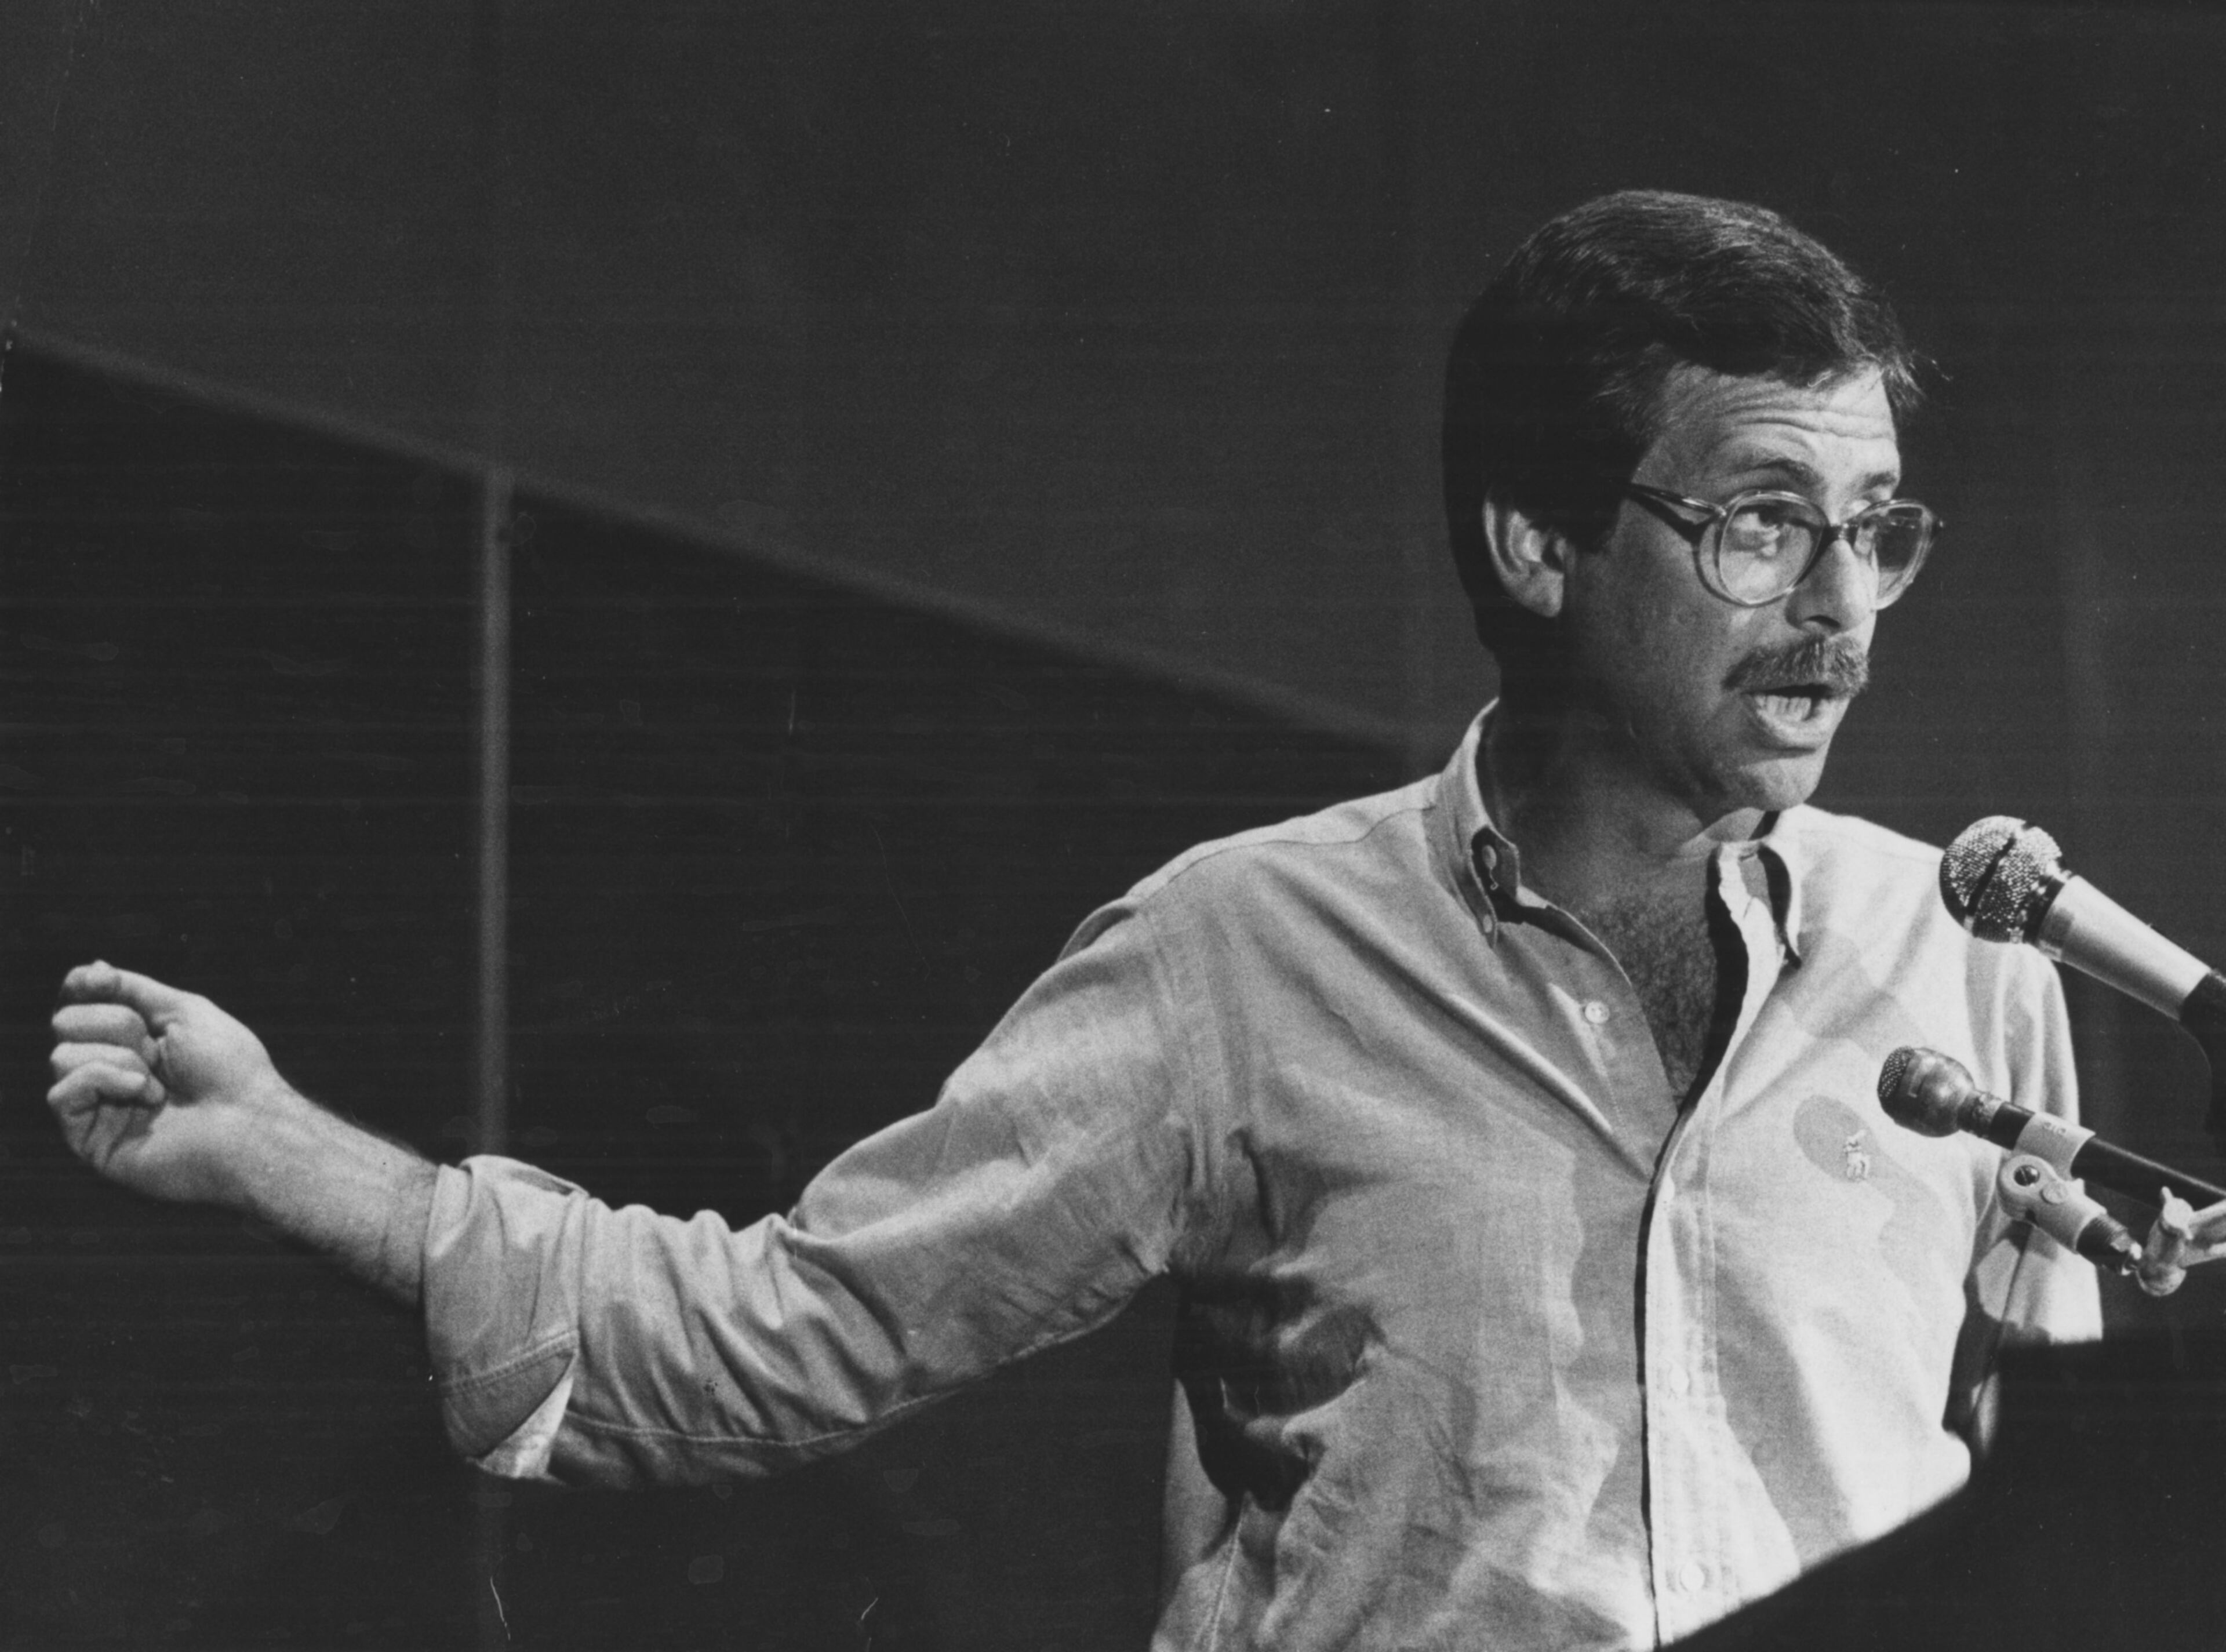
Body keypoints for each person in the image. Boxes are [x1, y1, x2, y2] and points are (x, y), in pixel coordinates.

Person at [45, 190, 2225, 1651]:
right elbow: (775, 1335)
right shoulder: (1236, 959)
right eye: (1766, 525)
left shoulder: (1968, 950)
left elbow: (2038, 1503)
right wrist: (292, 1151)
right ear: (1542, 546)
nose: (1843, 614)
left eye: (1878, 533)